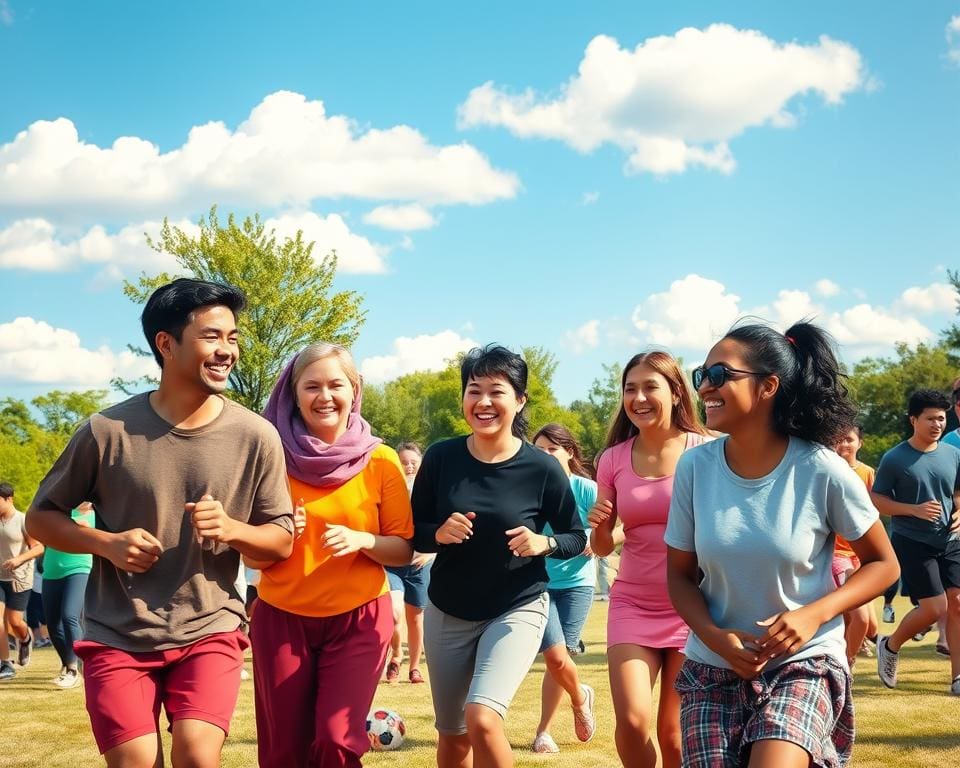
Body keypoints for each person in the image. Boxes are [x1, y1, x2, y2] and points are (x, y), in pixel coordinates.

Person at [26, 278, 295, 768]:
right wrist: (105, 543)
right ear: (166, 344)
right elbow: (40, 517)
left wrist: (232, 528)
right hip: (117, 632)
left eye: (233, 337)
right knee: (135, 761)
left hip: (210, 627)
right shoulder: (104, 431)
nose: (227, 350)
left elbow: (280, 541)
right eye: (212, 336)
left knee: (196, 754)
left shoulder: (256, 436)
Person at [665, 320, 899, 768]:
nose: (705, 388)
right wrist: (716, 638)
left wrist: (814, 614)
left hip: (804, 663)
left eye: (719, 375)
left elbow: (884, 565)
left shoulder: (823, 469)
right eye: (702, 375)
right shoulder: (695, 468)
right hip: (713, 667)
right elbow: (678, 577)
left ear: (768, 386)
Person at [412, 344, 587, 768]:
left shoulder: (541, 468)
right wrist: (440, 533)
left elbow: (575, 536)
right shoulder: (440, 457)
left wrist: (543, 543)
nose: (484, 402)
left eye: (497, 391)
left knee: (483, 719)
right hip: (448, 609)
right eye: (474, 390)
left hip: (518, 606)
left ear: (520, 400)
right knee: (453, 739)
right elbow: (414, 533)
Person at [252, 342, 414, 767]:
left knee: (335, 739)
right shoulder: (270, 456)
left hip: (359, 620)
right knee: (284, 751)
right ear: (293, 392)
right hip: (281, 618)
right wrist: (281, 535)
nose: (325, 396)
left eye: (335, 385)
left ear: (354, 388)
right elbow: (253, 559)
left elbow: (403, 550)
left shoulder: (381, 460)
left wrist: (365, 541)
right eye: (312, 386)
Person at [589, 351, 708, 768]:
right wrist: (600, 526)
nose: (638, 397)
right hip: (632, 604)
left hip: (693, 606)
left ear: (676, 393)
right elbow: (603, 547)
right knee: (633, 722)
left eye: (649, 387)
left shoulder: (707, 451)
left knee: (674, 736)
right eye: (630, 388)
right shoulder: (612, 459)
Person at [873, 389, 960, 695]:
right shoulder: (895, 458)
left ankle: (957, 679)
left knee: (958, 603)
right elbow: (878, 500)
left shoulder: (953, 453)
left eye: (941, 418)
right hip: (912, 540)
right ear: (913, 420)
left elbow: (958, 491)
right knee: (935, 608)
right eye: (930, 418)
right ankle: (890, 644)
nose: (937, 424)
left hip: (950, 538)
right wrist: (913, 510)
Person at [530, 422, 598, 754]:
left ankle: (542, 732)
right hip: (536, 583)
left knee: (561, 658)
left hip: (577, 585)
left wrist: (594, 540)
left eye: (552, 449)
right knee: (556, 657)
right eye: (538, 450)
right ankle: (579, 696)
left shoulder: (585, 488)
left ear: (569, 453)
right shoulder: (529, 488)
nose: (544, 456)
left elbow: (622, 525)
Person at [384, 440, 433, 684]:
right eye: (404, 462)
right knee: (393, 613)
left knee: (415, 618)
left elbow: (440, 526)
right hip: (391, 562)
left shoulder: (429, 490)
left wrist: (431, 553)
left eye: (414, 462)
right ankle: (396, 655)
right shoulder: (388, 488)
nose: (409, 467)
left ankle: (415, 668)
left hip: (418, 565)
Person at [833, 425, 879, 666]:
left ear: (860, 443)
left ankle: (844, 657)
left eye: (849, 440)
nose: (844, 445)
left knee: (870, 625)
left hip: (861, 556)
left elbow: (874, 512)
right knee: (859, 617)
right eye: (839, 439)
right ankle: (845, 665)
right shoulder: (827, 470)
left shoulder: (868, 473)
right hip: (836, 553)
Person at [41, 501, 96, 688]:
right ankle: (67, 666)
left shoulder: (98, 515)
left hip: (80, 568)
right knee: (53, 624)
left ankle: (75, 669)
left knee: (70, 616)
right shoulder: (62, 511)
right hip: (51, 571)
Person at [0, 482, 45, 680]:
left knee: (15, 622)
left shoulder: (23, 520)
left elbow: (39, 548)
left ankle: (25, 639)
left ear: (9, 498)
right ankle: (6, 663)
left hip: (19, 579)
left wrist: (19, 559)